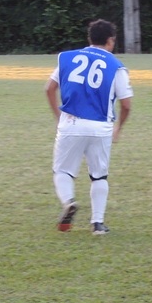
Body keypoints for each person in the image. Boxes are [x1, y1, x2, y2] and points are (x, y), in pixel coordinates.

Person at [45, 19, 133, 235]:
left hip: (71, 122)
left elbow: (49, 88)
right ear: (111, 41)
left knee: (63, 171)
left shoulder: (67, 58)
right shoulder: (116, 66)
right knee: (99, 176)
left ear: (89, 38)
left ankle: (69, 201)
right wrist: (118, 128)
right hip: (101, 126)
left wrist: (58, 116)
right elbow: (126, 104)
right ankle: (98, 223)